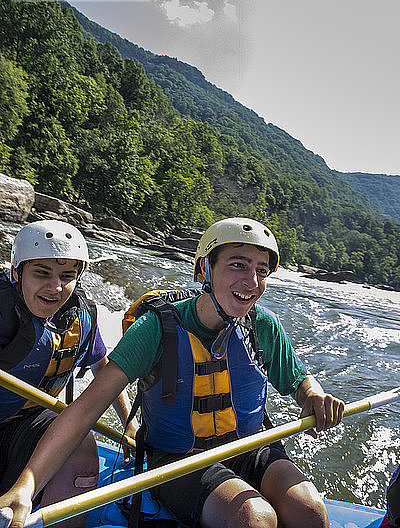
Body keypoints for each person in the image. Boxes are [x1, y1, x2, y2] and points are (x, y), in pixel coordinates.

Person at [0, 217, 344, 528]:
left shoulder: (263, 325)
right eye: (237, 266)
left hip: (250, 446)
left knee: (309, 511)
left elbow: (298, 380)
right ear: (204, 269)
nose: (251, 281)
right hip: (180, 458)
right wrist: (26, 486)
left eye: (262, 270)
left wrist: (313, 395)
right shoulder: (154, 329)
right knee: (254, 518)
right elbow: (85, 411)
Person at [0, 220, 137, 528]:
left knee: (81, 442)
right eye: (41, 273)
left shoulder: (79, 318)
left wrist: (130, 424)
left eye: (66, 276)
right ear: (16, 272)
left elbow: (103, 369)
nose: (55, 287)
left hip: (26, 424)